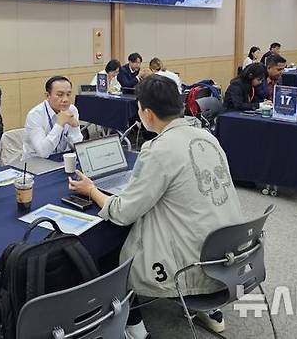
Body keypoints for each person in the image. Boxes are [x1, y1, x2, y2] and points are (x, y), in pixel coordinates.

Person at [68, 75, 244, 338]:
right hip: (227, 255)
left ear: (147, 113)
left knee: (110, 254)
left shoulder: (158, 150)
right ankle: (211, 311)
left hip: (191, 267)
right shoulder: (206, 137)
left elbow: (123, 213)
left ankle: (135, 328)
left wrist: (91, 190)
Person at [23, 76, 83, 159]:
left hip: (62, 159)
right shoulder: (35, 115)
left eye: (68, 94)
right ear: (48, 95)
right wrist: (59, 124)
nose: (65, 99)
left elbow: (78, 148)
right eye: (60, 95)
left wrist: (75, 127)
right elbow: (43, 153)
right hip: (36, 163)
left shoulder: (72, 110)